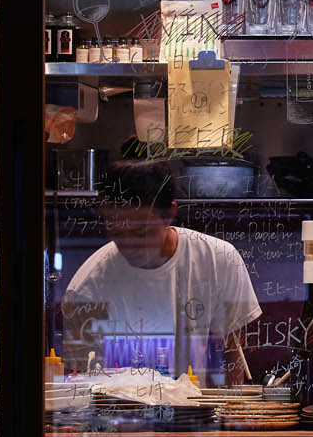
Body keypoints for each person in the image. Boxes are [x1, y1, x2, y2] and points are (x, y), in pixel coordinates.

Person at [62, 158, 261, 383]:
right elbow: (82, 382)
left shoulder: (219, 260)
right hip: (120, 414)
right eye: (116, 231)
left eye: (140, 233)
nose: (128, 245)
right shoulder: (88, 286)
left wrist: (231, 412)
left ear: (169, 214)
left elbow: (233, 356)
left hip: (200, 411)